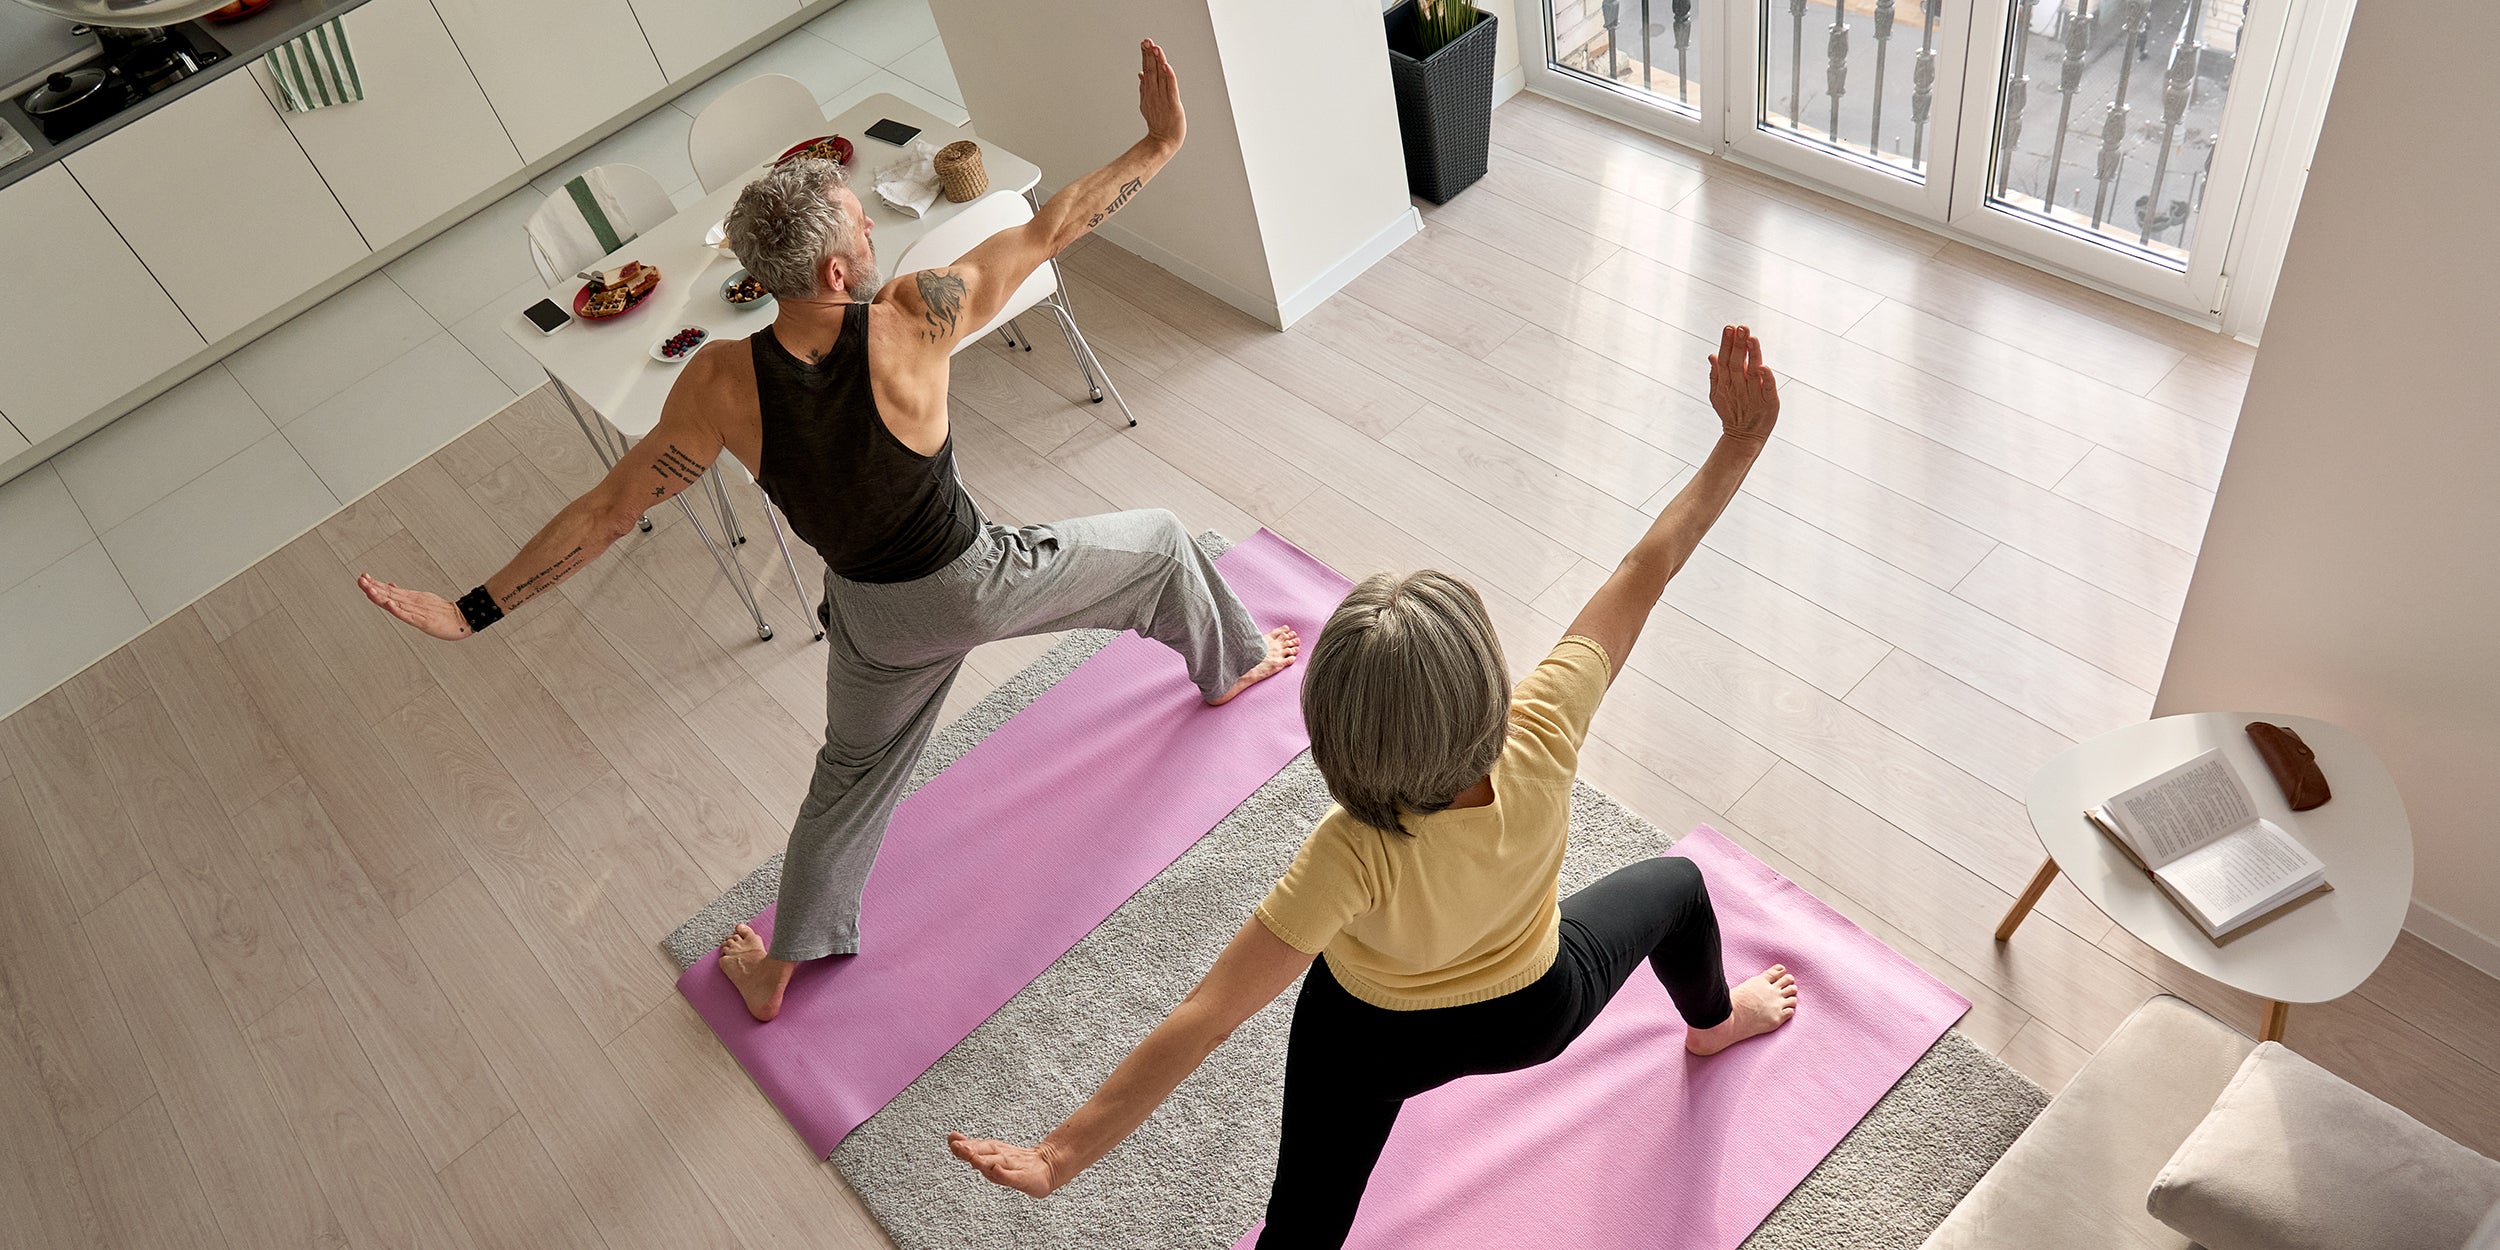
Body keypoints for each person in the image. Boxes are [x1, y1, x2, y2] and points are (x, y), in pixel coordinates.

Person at [354, 39, 1298, 1023]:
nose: (868, 225)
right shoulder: (914, 315)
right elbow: (1054, 224)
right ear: (841, 263)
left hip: (871, 619)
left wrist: (474, 609)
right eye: (858, 219)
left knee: (846, 778)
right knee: (1159, 542)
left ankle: (778, 970)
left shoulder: (717, 381)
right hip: (972, 578)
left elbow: (607, 510)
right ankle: (1228, 660)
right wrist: (1160, 142)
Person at [947, 326, 1799, 1246]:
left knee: (1302, 1227)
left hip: (1370, 1040)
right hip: (1532, 1012)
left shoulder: (1346, 854)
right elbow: (1647, 567)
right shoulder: (1545, 728)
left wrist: (1064, 1154)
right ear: (1486, 683)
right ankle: (1712, 1023)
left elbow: (1207, 1016)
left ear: (1335, 736)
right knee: (1678, 889)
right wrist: (1738, 443)